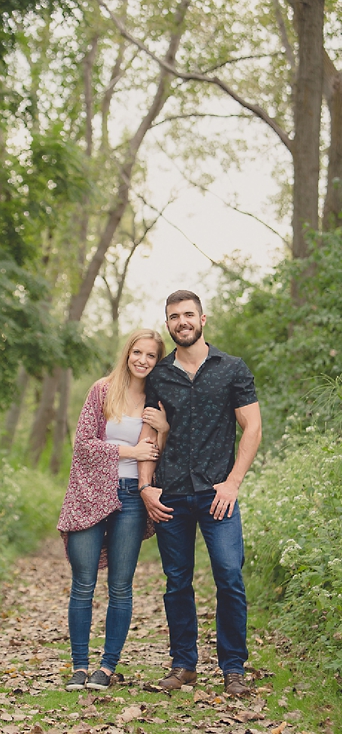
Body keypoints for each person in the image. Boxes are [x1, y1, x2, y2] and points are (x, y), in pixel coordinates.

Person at [137, 290, 262, 697]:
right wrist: (146, 488)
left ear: (203, 319)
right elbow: (149, 433)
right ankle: (183, 665)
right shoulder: (159, 375)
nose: (182, 322)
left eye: (188, 314)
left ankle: (233, 668)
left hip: (217, 493)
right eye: (174, 317)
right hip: (170, 494)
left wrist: (233, 482)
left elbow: (253, 427)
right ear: (169, 324)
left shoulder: (232, 369)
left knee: (229, 576)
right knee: (177, 583)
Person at [57, 328, 168, 691]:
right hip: (91, 493)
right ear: (127, 353)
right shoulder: (102, 390)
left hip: (132, 498)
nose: (143, 360)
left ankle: (106, 667)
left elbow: (156, 450)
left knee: (121, 586)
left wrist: (161, 431)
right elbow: (83, 444)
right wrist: (128, 453)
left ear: (157, 361)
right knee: (83, 583)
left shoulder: (157, 399)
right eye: (138, 352)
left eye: (151, 355)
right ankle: (79, 666)